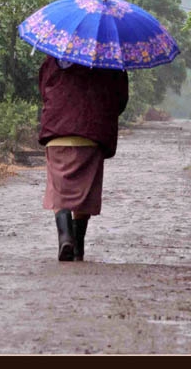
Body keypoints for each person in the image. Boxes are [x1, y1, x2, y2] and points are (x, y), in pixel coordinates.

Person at [37, 54, 128, 261]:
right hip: (91, 134)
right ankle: (78, 247)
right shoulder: (111, 59)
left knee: (59, 189)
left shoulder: (53, 57)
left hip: (57, 133)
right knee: (84, 193)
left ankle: (65, 238)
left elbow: (44, 90)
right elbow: (120, 100)